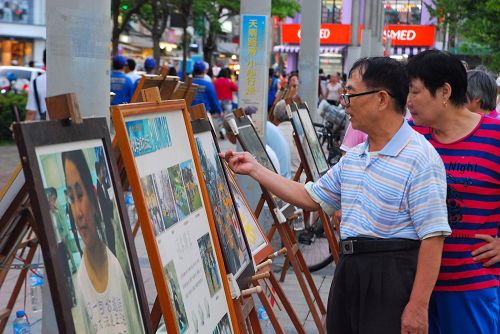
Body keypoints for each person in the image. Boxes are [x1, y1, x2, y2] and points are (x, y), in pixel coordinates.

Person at [221, 57, 451, 333]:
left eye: (351, 94)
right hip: (350, 269)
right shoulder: (356, 156)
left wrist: (417, 306)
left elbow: (433, 237)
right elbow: (311, 196)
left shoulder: (421, 158)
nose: (344, 103)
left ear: (381, 99)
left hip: (391, 277)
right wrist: (255, 169)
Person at [406, 50, 500, 334]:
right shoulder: (411, 138)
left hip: (471, 288)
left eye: (415, 92)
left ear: (444, 91)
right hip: (413, 287)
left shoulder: (495, 137)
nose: (408, 102)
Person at [62, 149, 142, 333]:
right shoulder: (81, 280)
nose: (78, 212)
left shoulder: (114, 267)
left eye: (80, 195)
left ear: (92, 196)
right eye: (71, 198)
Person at [272, 101, 301, 177]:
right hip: (303, 181)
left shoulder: (273, 134)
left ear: (275, 118)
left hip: (279, 181)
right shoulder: (303, 133)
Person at [25, 49, 46, 121]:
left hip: (43, 128)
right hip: (68, 129)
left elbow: (31, 112)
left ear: (43, 61)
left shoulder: (36, 82)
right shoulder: (70, 81)